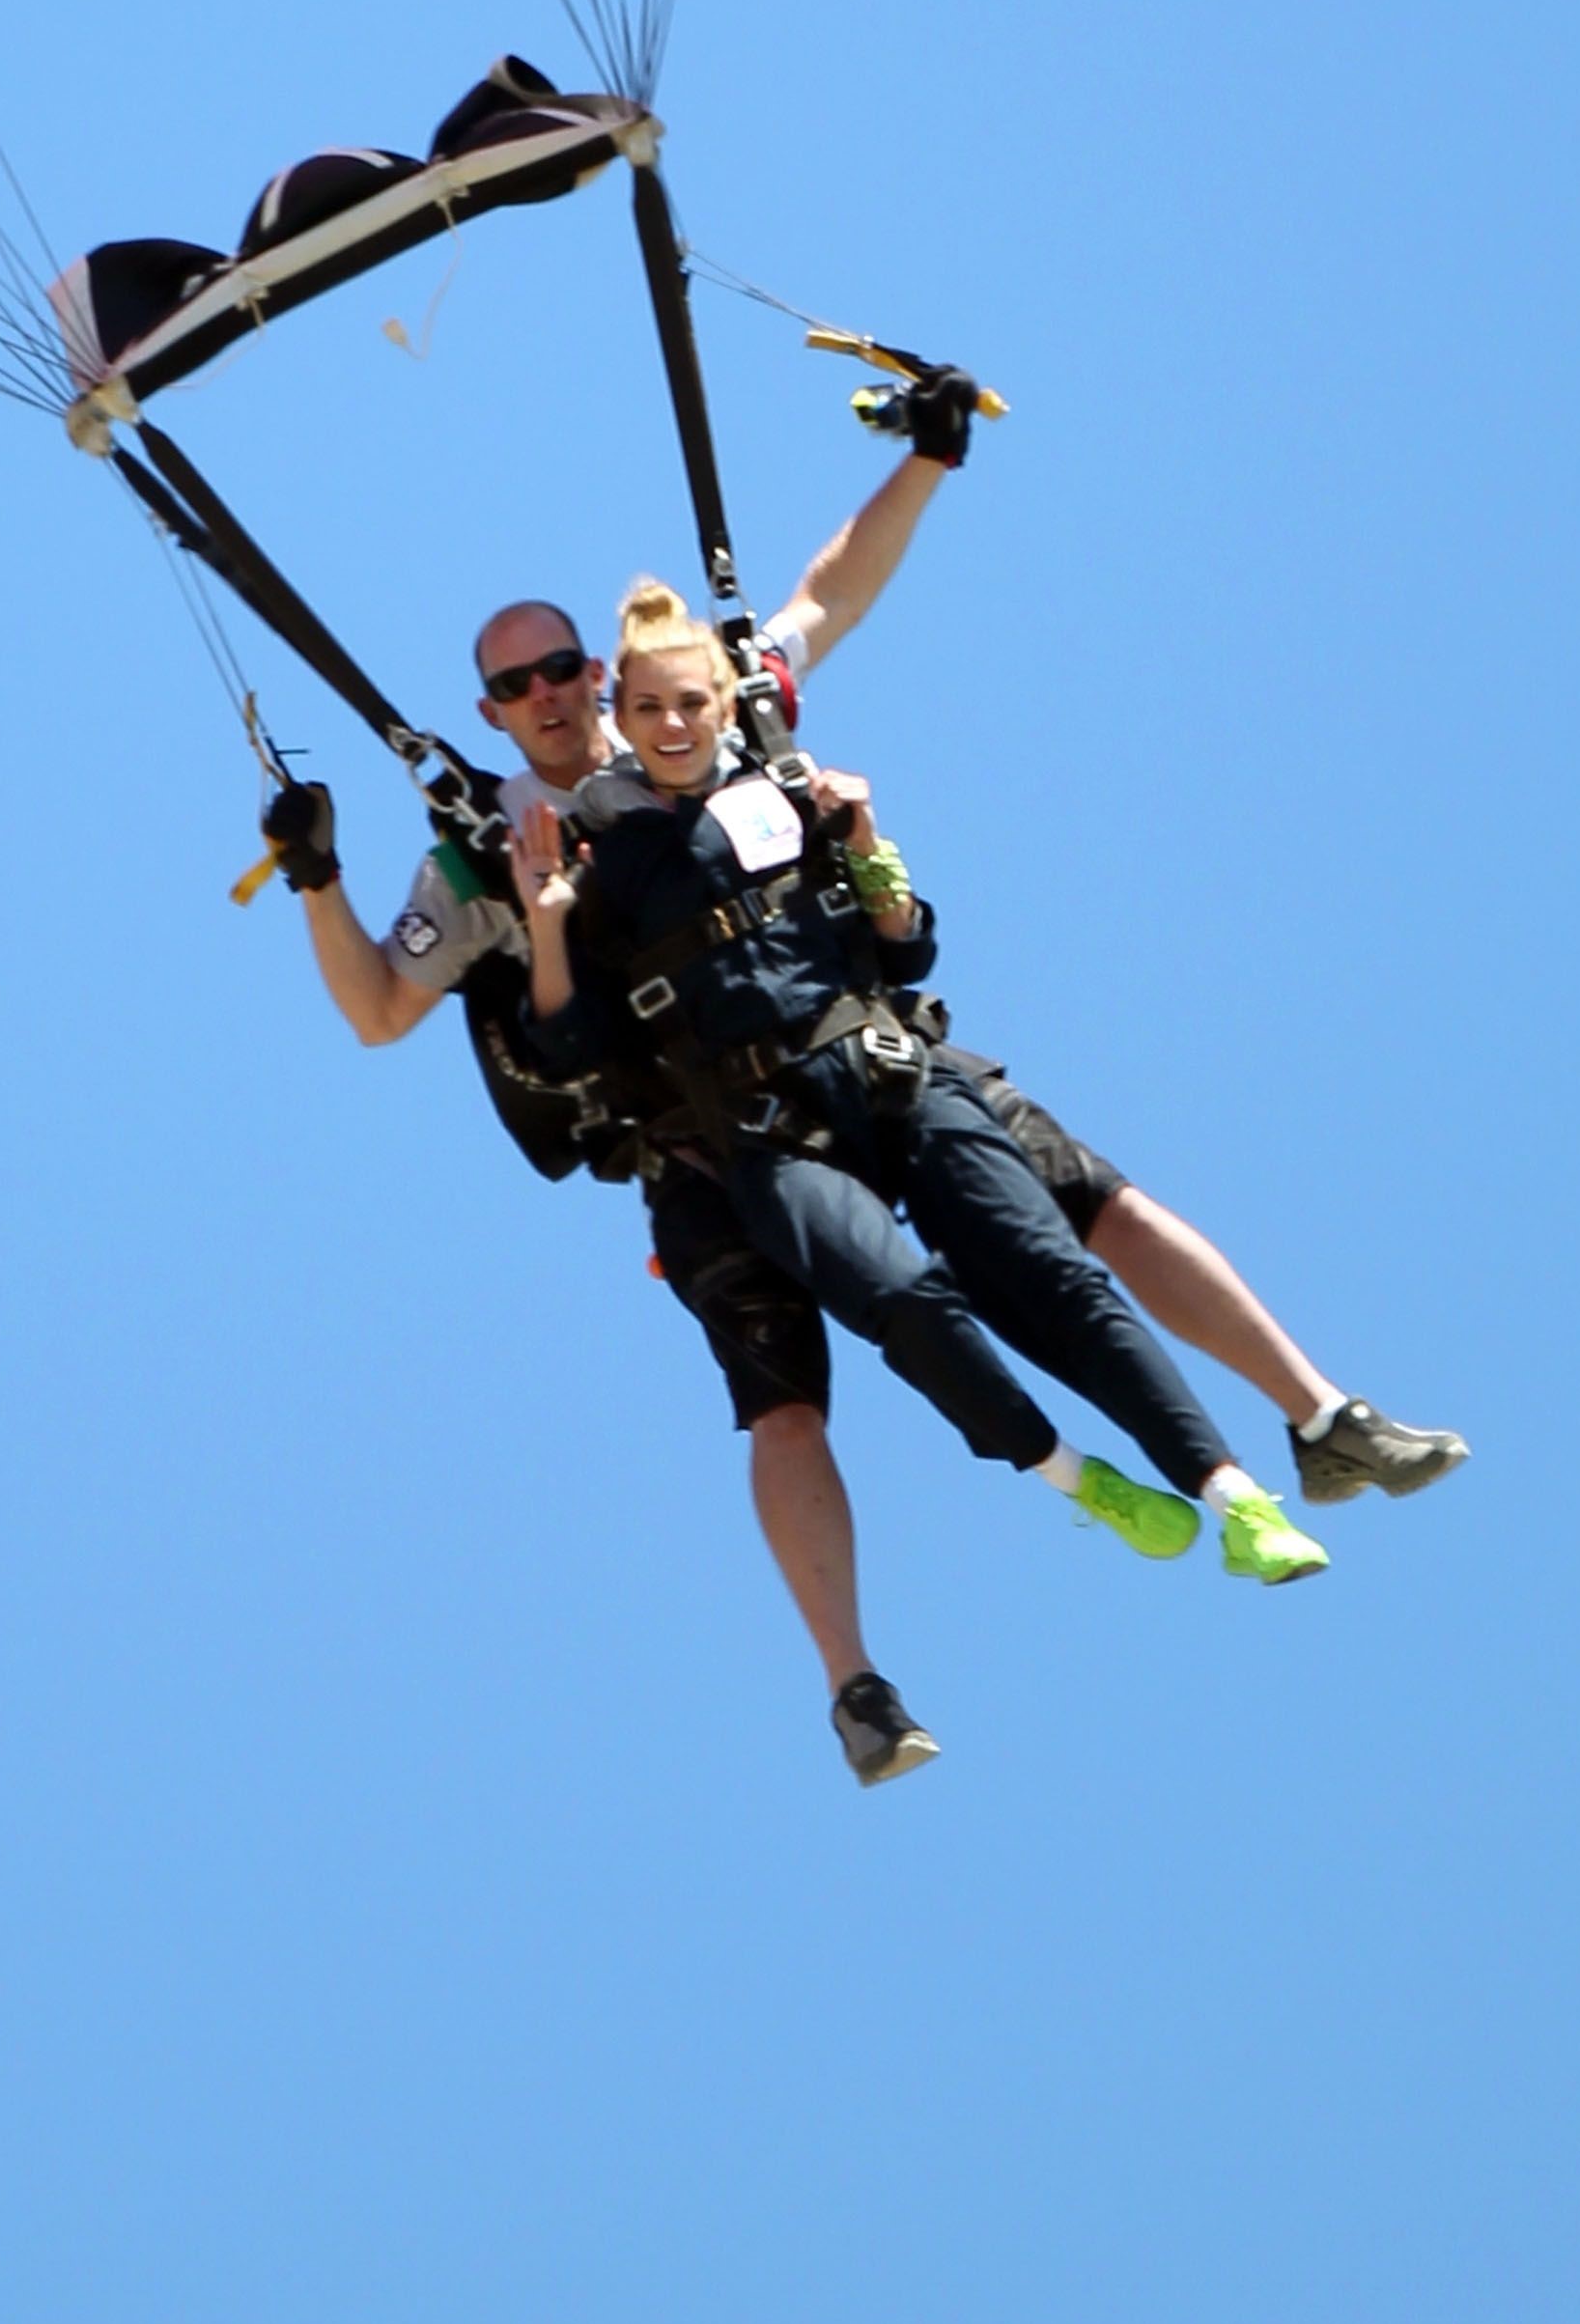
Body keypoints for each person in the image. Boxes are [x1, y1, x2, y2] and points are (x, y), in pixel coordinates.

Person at [515, 576, 1336, 1590]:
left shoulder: (785, 795)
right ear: (619, 721)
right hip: (768, 1134)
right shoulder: (605, 861)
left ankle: (1236, 1500)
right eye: (647, 708)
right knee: (904, 1299)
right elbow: (570, 1046)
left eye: (689, 703)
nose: (671, 723)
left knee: (1052, 1273)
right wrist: (546, 920)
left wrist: (865, 847)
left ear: (726, 706)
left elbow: (903, 950)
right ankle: (1075, 1479)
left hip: (891, 1073)